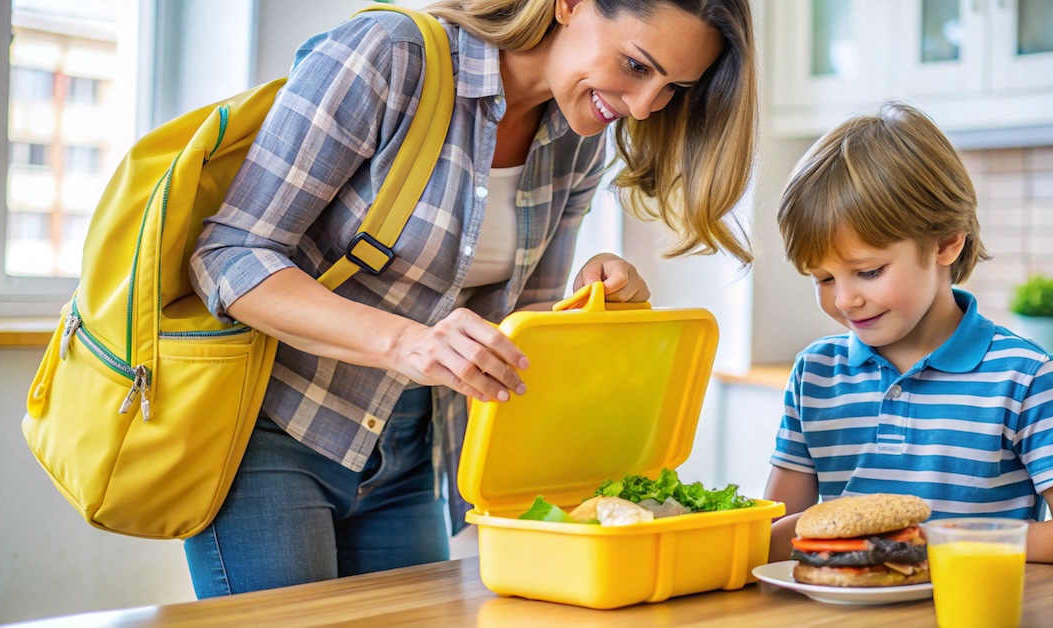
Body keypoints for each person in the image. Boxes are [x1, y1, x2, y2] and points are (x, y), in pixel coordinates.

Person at [185, 0, 758, 597]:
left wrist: (592, 307)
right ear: (569, 5)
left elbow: (515, 334)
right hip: (273, 431)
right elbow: (228, 254)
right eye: (638, 67)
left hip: (410, 445)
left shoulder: (578, 137)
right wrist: (407, 343)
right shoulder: (391, 54)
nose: (642, 107)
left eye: (674, 88)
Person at [764, 101, 1053, 569]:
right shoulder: (815, 374)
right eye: (823, 278)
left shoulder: (1026, 378)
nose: (845, 300)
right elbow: (777, 537)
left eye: (868, 271)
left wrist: (937, 543)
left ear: (946, 242)